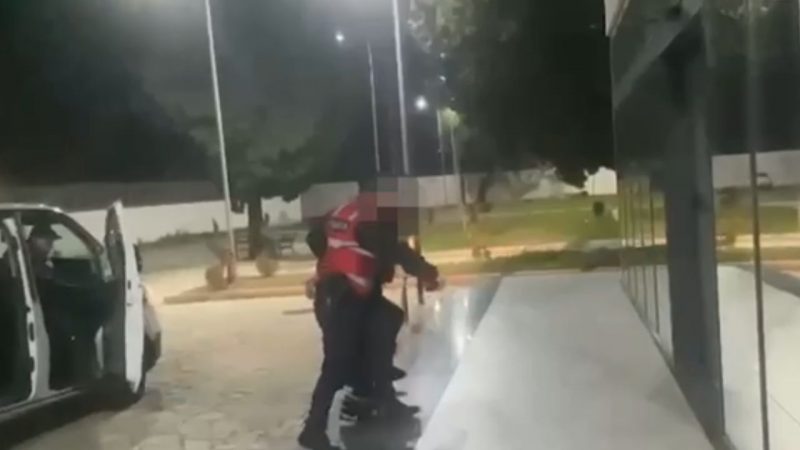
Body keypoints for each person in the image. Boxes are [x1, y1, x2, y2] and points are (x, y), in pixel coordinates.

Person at [299, 186, 440, 450]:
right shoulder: (373, 223)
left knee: (386, 322)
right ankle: (312, 430)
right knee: (337, 366)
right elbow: (396, 252)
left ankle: (384, 399)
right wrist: (429, 274)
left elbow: (314, 237)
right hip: (340, 299)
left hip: (349, 294)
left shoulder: (346, 213)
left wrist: (334, 259)